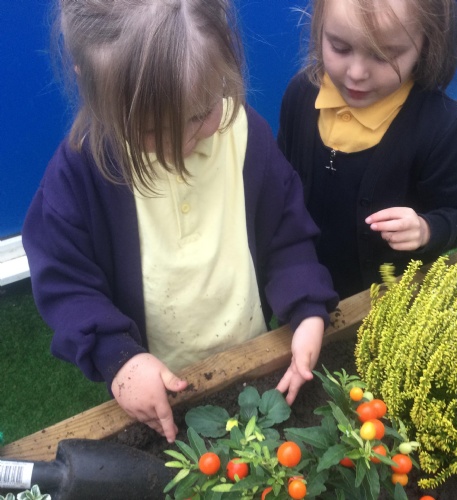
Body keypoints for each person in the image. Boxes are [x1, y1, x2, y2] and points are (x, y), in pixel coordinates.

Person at [22, 0, 338, 443]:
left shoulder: (246, 138)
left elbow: (286, 236)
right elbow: (66, 281)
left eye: (199, 114)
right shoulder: (81, 173)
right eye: (154, 131)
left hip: (250, 357)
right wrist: (119, 358)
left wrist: (306, 309)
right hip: (156, 386)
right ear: (91, 86)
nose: (184, 143)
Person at [278, 0, 457, 299]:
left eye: (383, 55)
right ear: (319, 28)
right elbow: (281, 178)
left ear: (426, 43)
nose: (356, 73)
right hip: (303, 283)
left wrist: (427, 228)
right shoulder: (301, 95)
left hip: (385, 299)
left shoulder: (445, 128)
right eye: (340, 47)